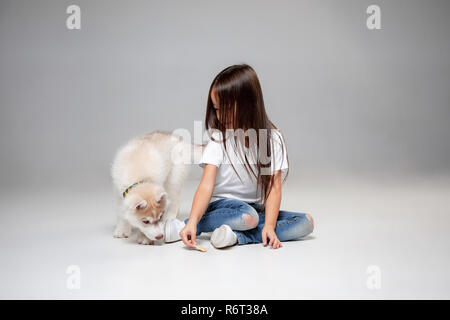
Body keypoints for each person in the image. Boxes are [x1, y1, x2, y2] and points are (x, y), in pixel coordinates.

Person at [164, 64, 314, 249]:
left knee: (305, 223)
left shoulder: (273, 139)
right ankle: (186, 224)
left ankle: (234, 237)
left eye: (226, 108)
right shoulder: (219, 138)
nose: (220, 116)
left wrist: (269, 226)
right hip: (223, 207)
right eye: (217, 109)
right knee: (247, 216)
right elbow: (206, 185)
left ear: (249, 104)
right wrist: (193, 220)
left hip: (254, 209)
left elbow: (274, 189)